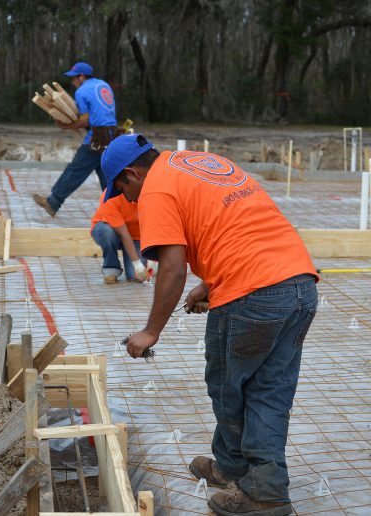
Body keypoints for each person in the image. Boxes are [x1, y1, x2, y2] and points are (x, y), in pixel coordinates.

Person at [100, 134, 319, 516]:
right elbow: (235, 228)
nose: (127, 199)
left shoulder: (154, 190)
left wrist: (151, 331)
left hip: (252, 291)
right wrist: (211, 283)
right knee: (269, 389)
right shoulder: (198, 163)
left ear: (133, 173)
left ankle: (257, 491)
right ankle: (251, 479)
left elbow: (171, 266)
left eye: (122, 188)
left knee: (228, 386)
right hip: (298, 283)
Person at [33, 62, 118, 217]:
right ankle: (118, 209)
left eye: (74, 78)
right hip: (113, 134)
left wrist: (66, 126)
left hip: (98, 136)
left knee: (76, 170)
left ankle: (53, 203)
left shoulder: (82, 91)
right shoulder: (103, 85)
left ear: (82, 76)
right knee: (106, 175)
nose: (72, 82)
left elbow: (85, 120)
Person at [91, 190, 149, 284]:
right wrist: (137, 264)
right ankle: (111, 268)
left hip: (136, 237)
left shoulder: (150, 195)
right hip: (111, 231)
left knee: (136, 277)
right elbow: (124, 234)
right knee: (107, 233)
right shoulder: (111, 195)